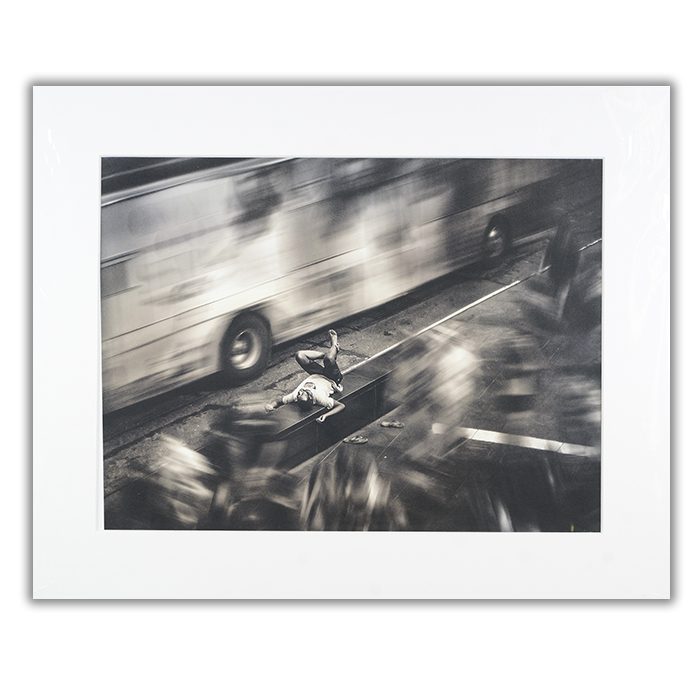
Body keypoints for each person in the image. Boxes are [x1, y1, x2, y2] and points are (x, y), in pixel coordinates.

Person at [265, 330, 345, 424]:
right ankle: (334, 346)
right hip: (332, 378)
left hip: (316, 374)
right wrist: (326, 415)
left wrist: (270, 405)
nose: (301, 390)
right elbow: (341, 406)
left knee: (300, 355)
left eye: (299, 393)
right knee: (329, 359)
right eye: (304, 392)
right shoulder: (320, 398)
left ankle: (327, 355)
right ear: (311, 396)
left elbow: (278, 401)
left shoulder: (295, 396)